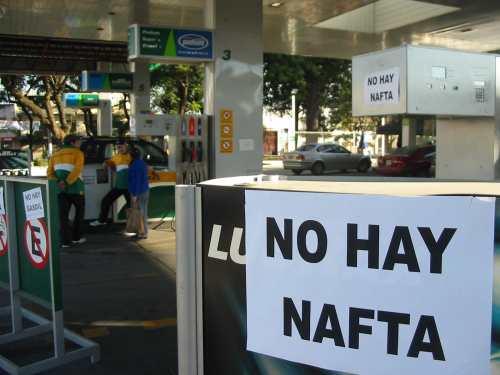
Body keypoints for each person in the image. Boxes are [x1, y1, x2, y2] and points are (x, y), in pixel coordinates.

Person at [47, 135, 86, 248]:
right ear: (73, 142)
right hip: (76, 188)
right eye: (79, 141)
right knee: (79, 213)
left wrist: (59, 182)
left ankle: (65, 241)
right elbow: (77, 169)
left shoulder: (55, 155)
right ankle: (76, 238)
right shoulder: (78, 153)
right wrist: (67, 182)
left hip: (61, 190)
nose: (80, 143)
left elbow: (49, 173)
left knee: (63, 216)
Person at [90, 140, 131, 226]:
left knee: (132, 206)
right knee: (105, 201)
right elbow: (112, 164)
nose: (120, 149)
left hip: (130, 187)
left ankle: (133, 224)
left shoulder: (131, 156)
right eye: (118, 147)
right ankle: (102, 220)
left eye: (121, 146)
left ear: (126, 146)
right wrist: (106, 163)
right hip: (119, 186)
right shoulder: (116, 157)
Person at [128, 147, 149, 239]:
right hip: (144, 190)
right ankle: (140, 231)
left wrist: (135, 195)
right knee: (142, 212)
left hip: (139, 192)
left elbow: (136, 181)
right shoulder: (142, 163)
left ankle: (143, 232)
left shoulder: (135, 165)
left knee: (141, 213)